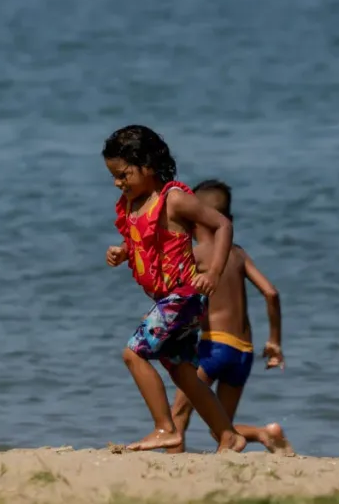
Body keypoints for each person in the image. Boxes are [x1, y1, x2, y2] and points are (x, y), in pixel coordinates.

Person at [103, 125, 247, 454]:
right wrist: (123, 252)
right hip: (169, 299)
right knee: (183, 372)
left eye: (123, 174)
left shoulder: (174, 199)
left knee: (134, 352)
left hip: (183, 297)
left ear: (148, 166)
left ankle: (165, 428)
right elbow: (145, 241)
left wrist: (213, 273)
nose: (117, 183)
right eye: (113, 176)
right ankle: (228, 435)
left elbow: (222, 225)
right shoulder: (133, 204)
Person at [167, 179, 291, 454]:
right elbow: (271, 293)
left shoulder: (195, 255)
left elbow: (177, 299)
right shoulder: (238, 254)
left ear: (191, 219)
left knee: (179, 415)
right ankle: (264, 434)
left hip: (215, 347)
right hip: (243, 352)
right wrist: (274, 342)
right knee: (220, 428)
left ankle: (170, 470)